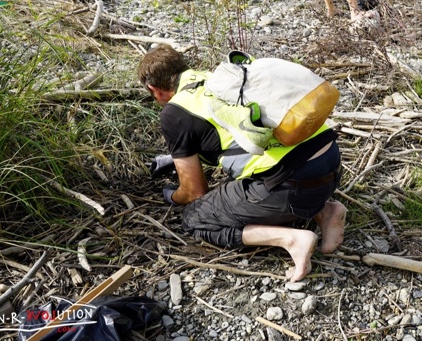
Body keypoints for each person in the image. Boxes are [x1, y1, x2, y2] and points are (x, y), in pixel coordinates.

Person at [138, 45, 347, 282]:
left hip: (294, 185)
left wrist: (172, 196)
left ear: (154, 90)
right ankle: (326, 210)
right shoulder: (220, 77)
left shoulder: (173, 113)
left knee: (196, 217)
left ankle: (293, 240)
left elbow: (195, 191)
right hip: (332, 163)